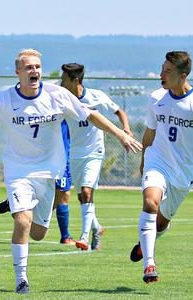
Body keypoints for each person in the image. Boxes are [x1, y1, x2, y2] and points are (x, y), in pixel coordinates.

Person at [0, 49, 142, 294]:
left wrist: (122, 134)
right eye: (28, 67)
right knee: (22, 221)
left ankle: (21, 203)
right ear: (17, 72)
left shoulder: (57, 95)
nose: (34, 71)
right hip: (18, 172)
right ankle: (21, 280)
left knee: (38, 233)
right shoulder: (4, 99)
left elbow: (91, 115)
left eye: (37, 67)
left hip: (48, 173)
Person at [129, 51, 193, 283]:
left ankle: (145, 242)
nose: (161, 75)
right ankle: (150, 265)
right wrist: (143, 160)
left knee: (161, 222)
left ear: (183, 75)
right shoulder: (156, 98)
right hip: (157, 161)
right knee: (150, 202)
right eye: (162, 69)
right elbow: (150, 132)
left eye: (167, 71)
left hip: (183, 171)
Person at [60, 63, 133, 251]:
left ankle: (84, 237)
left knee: (86, 192)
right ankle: (97, 228)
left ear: (75, 80)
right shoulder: (63, 98)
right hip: (74, 154)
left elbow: (119, 111)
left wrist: (126, 129)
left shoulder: (96, 96)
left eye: (64, 79)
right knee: (82, 197)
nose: (61, 82)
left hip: (95, 152)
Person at [0, 119, 75, 245]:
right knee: (63, 195)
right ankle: (65, 236)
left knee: (38, 234)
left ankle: (16, 204)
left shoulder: (63, 104)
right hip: (39, 163)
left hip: (62, 159)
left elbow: (85, 109)